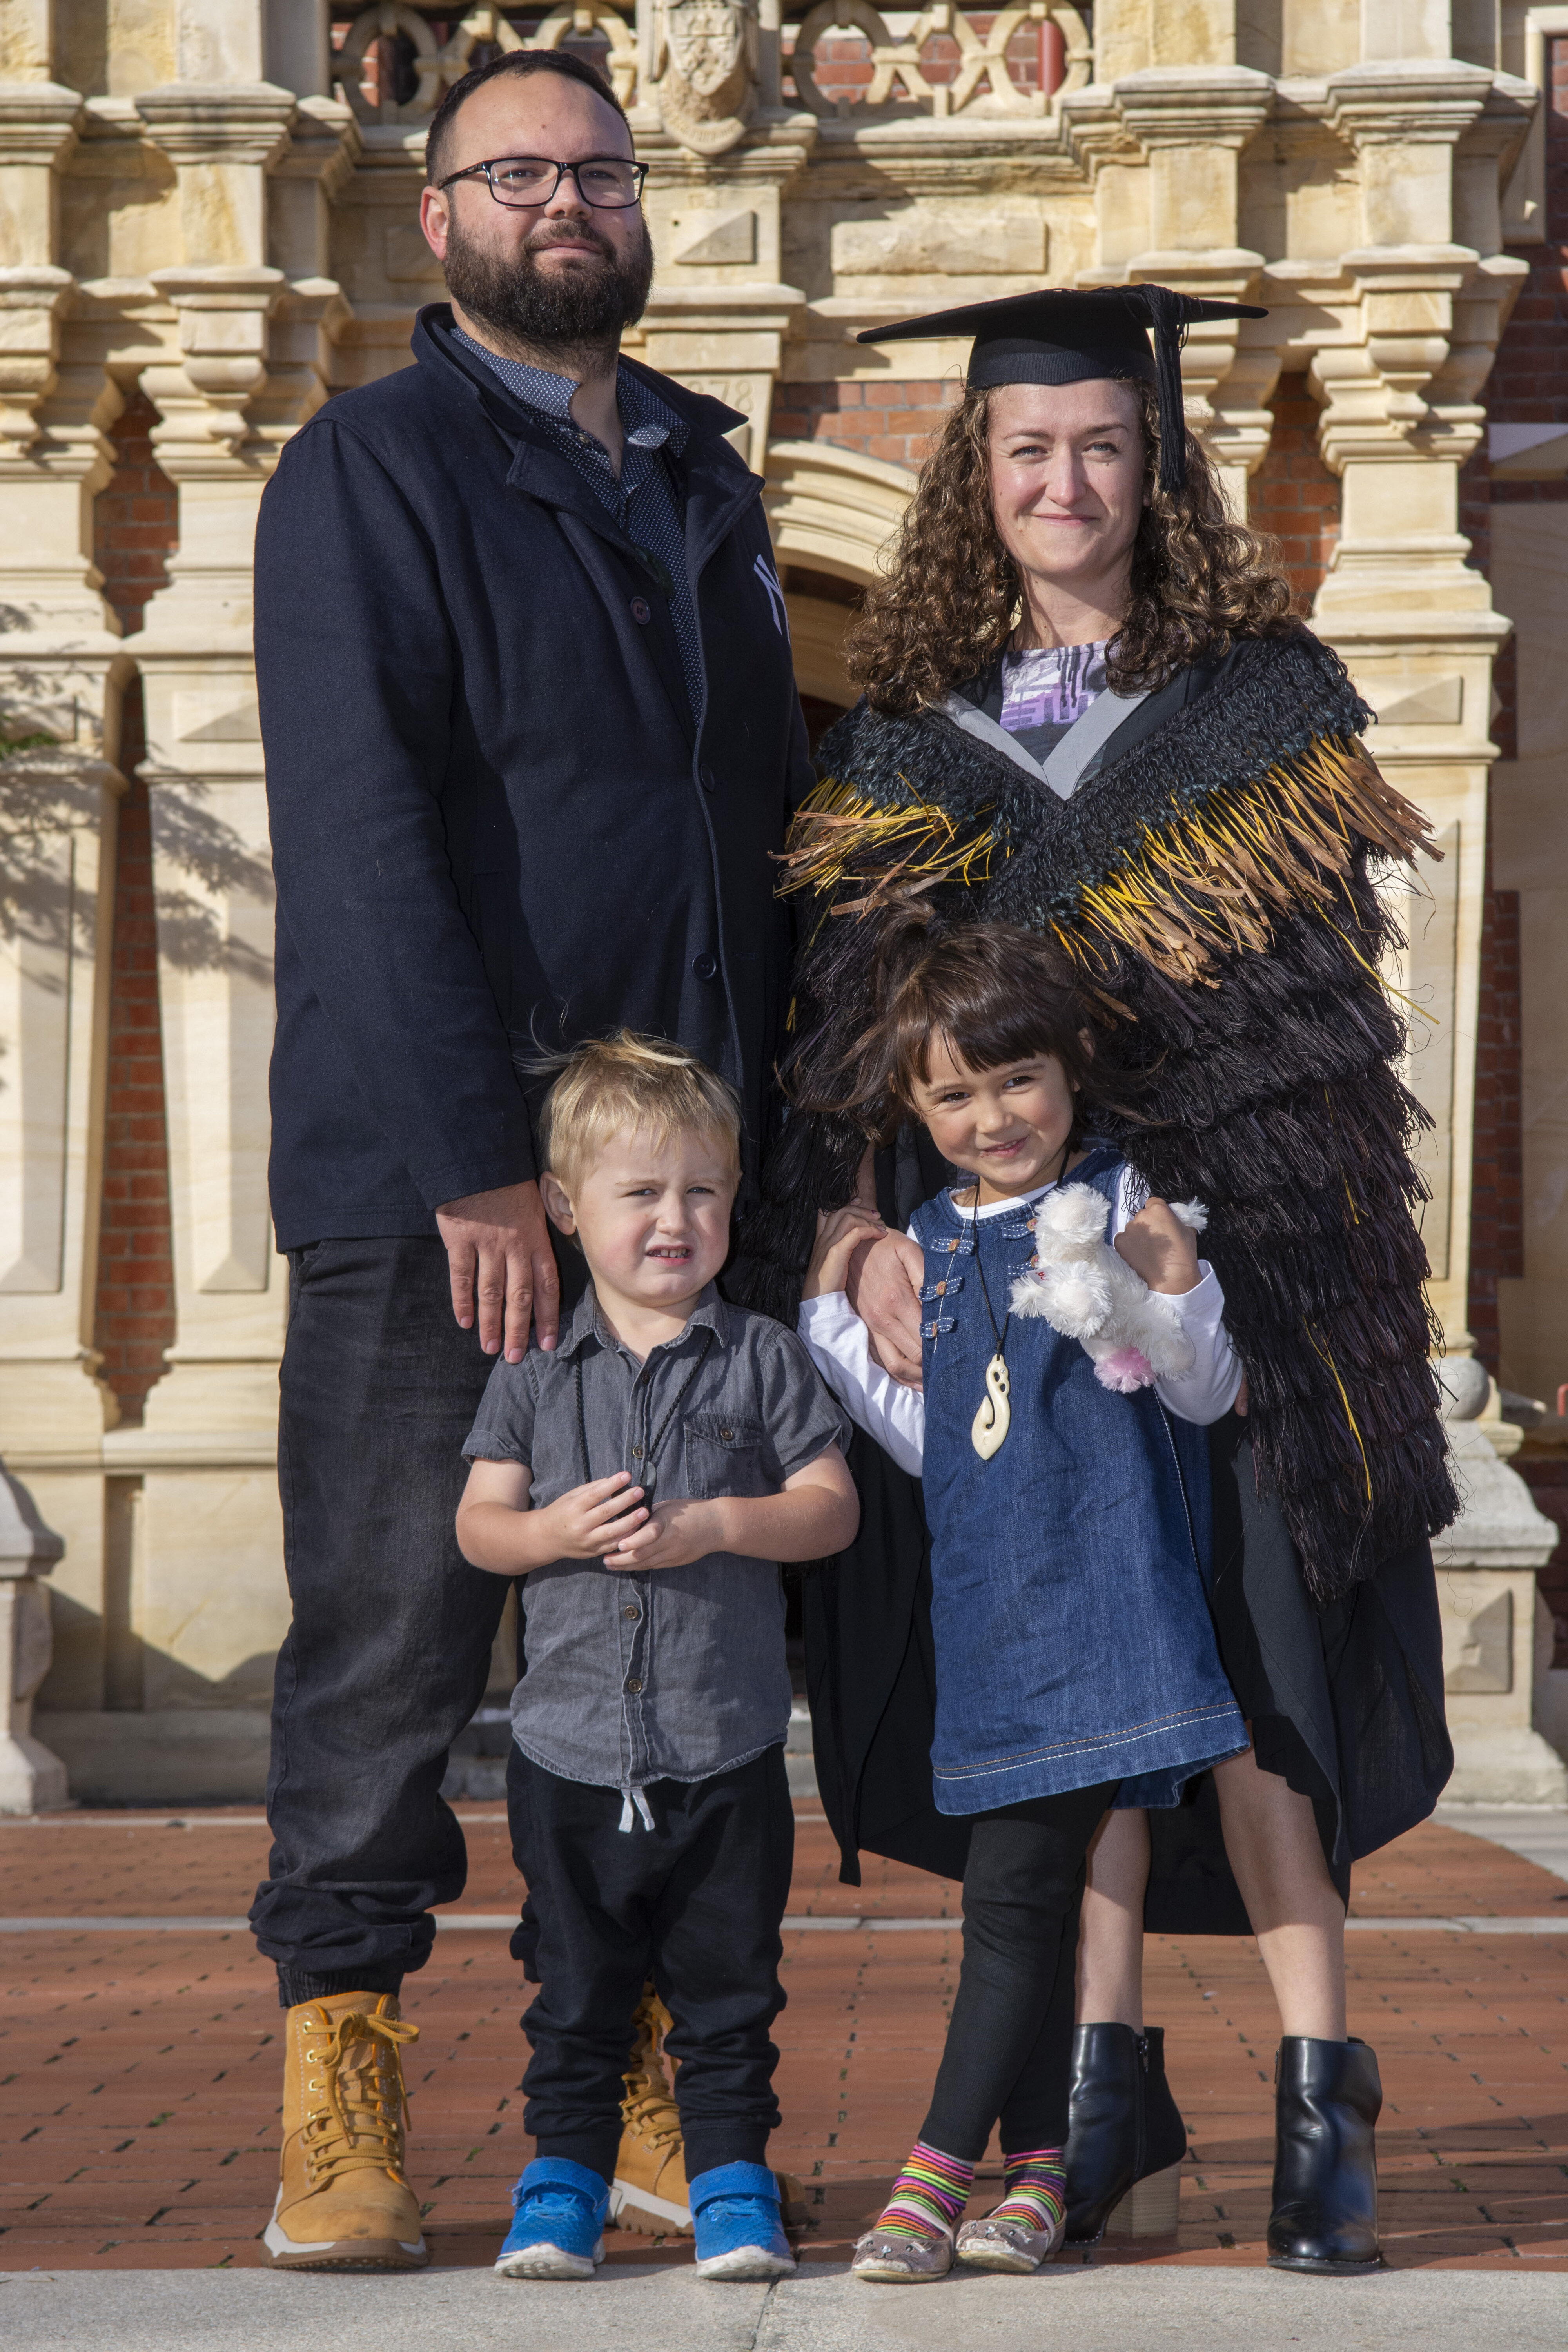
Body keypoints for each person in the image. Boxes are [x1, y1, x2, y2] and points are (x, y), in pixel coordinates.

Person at [731, 285, 1454, 2276]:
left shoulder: (1258, 701)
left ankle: (1323, 2096)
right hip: (1001, 1314)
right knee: (1086, 1695)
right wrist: (852, 1227)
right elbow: (852, 1035)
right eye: (1029, 450)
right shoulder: (900, 732)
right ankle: (1102, 2094)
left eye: (1104, 446)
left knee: (1250, 1691)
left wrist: (1238, 1273)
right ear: (979, 474)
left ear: (1157, 466)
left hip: (1226, 1294)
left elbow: (1323, 1042)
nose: (1067, 482)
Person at [250, 45, 811, 2270]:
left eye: (598, 168)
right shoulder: (364, 472)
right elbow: (365, 841)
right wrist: (491, 1166)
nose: (566, 200)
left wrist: (798, 1163)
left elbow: (760, 846)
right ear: (437, 216)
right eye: (518, 173)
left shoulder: (705, 478)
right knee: (393, 1634)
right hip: (440, 1194)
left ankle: (662, 2072)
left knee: (662, 1629)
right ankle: (341, 2066)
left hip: (677, 1200)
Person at [790, 920, 1247, 2282]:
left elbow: (1203, 1392)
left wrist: (1177, 1286)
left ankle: (933, 2172)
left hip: (1108, 1606)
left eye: (1018, 1081)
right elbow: (939, 1445)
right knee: (1031, 1896)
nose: (993, 1117)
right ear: (914, 1109)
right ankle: (1044, 2171)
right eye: (954, 1095)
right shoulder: (923, 1247)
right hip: (993, 1618)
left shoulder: (1117, 1203)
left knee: (1013, 1892)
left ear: (1069, 1071)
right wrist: (829, 1301)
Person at [455, 1034, 858, 2281]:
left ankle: (733, 2185)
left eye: (703, 1192)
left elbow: (831, 1507)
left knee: (731, 1990)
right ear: (569, 1212)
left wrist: (719, 1527)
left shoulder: (763, 1358)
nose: (675, 1219)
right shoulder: (531, 1371)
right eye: (641, 1194)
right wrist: (547, 1532)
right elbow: (477, 1529)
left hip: (724, 1745)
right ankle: (562, 2187)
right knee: (574, 1990)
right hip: (567, 1754)